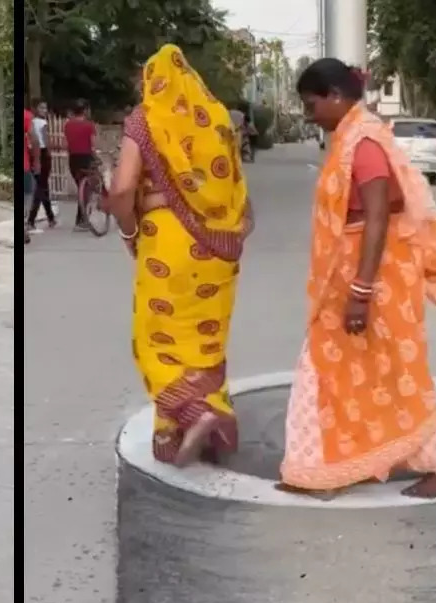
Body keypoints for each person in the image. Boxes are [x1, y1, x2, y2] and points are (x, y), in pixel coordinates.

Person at [278, 58, 436, 500]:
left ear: (337, 97)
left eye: (311, 104)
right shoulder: (349, 138)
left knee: (396, 372)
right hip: (351, 273)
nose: (309, 115)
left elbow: (378, 218)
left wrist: (361, 292)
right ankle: (325, 468)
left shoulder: (364, 145)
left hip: (376, 279)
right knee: (340, 371)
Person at [107, 45, 254, 466]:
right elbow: (234, 186)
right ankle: (201, 431)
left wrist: (130, 230)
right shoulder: (219, 120)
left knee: (155, 339)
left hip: (167, 242)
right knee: (203, 340)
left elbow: (120, 190)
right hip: (217, 248)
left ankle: (194, 413)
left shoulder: (146, 119)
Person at [64, 100, 97, 231]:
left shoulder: (67, 125)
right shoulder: (89, 125)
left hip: (73, 159)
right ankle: (81, 219)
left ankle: (81, 218)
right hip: (86, 158)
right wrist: (96, 156)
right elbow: (93, 144)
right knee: (86, 189)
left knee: (81, 187)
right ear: (85, 110)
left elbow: (66, 143)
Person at [26, 100, 55, 230]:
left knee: (43, 186)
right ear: (35, 109)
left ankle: (51, 217)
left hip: (33, 153)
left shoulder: (32, 121)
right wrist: (49, 152)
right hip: (42, 153)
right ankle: (31, 219)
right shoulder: (43, 123)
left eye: (46, 108)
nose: (45, 110)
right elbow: (45, 139)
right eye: (42, 108)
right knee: (41, 188)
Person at [22, 105, 39, 244]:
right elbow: (34, 138)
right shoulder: (26, 116)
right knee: (27, 193)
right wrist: (37, 160)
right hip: (24, 166)